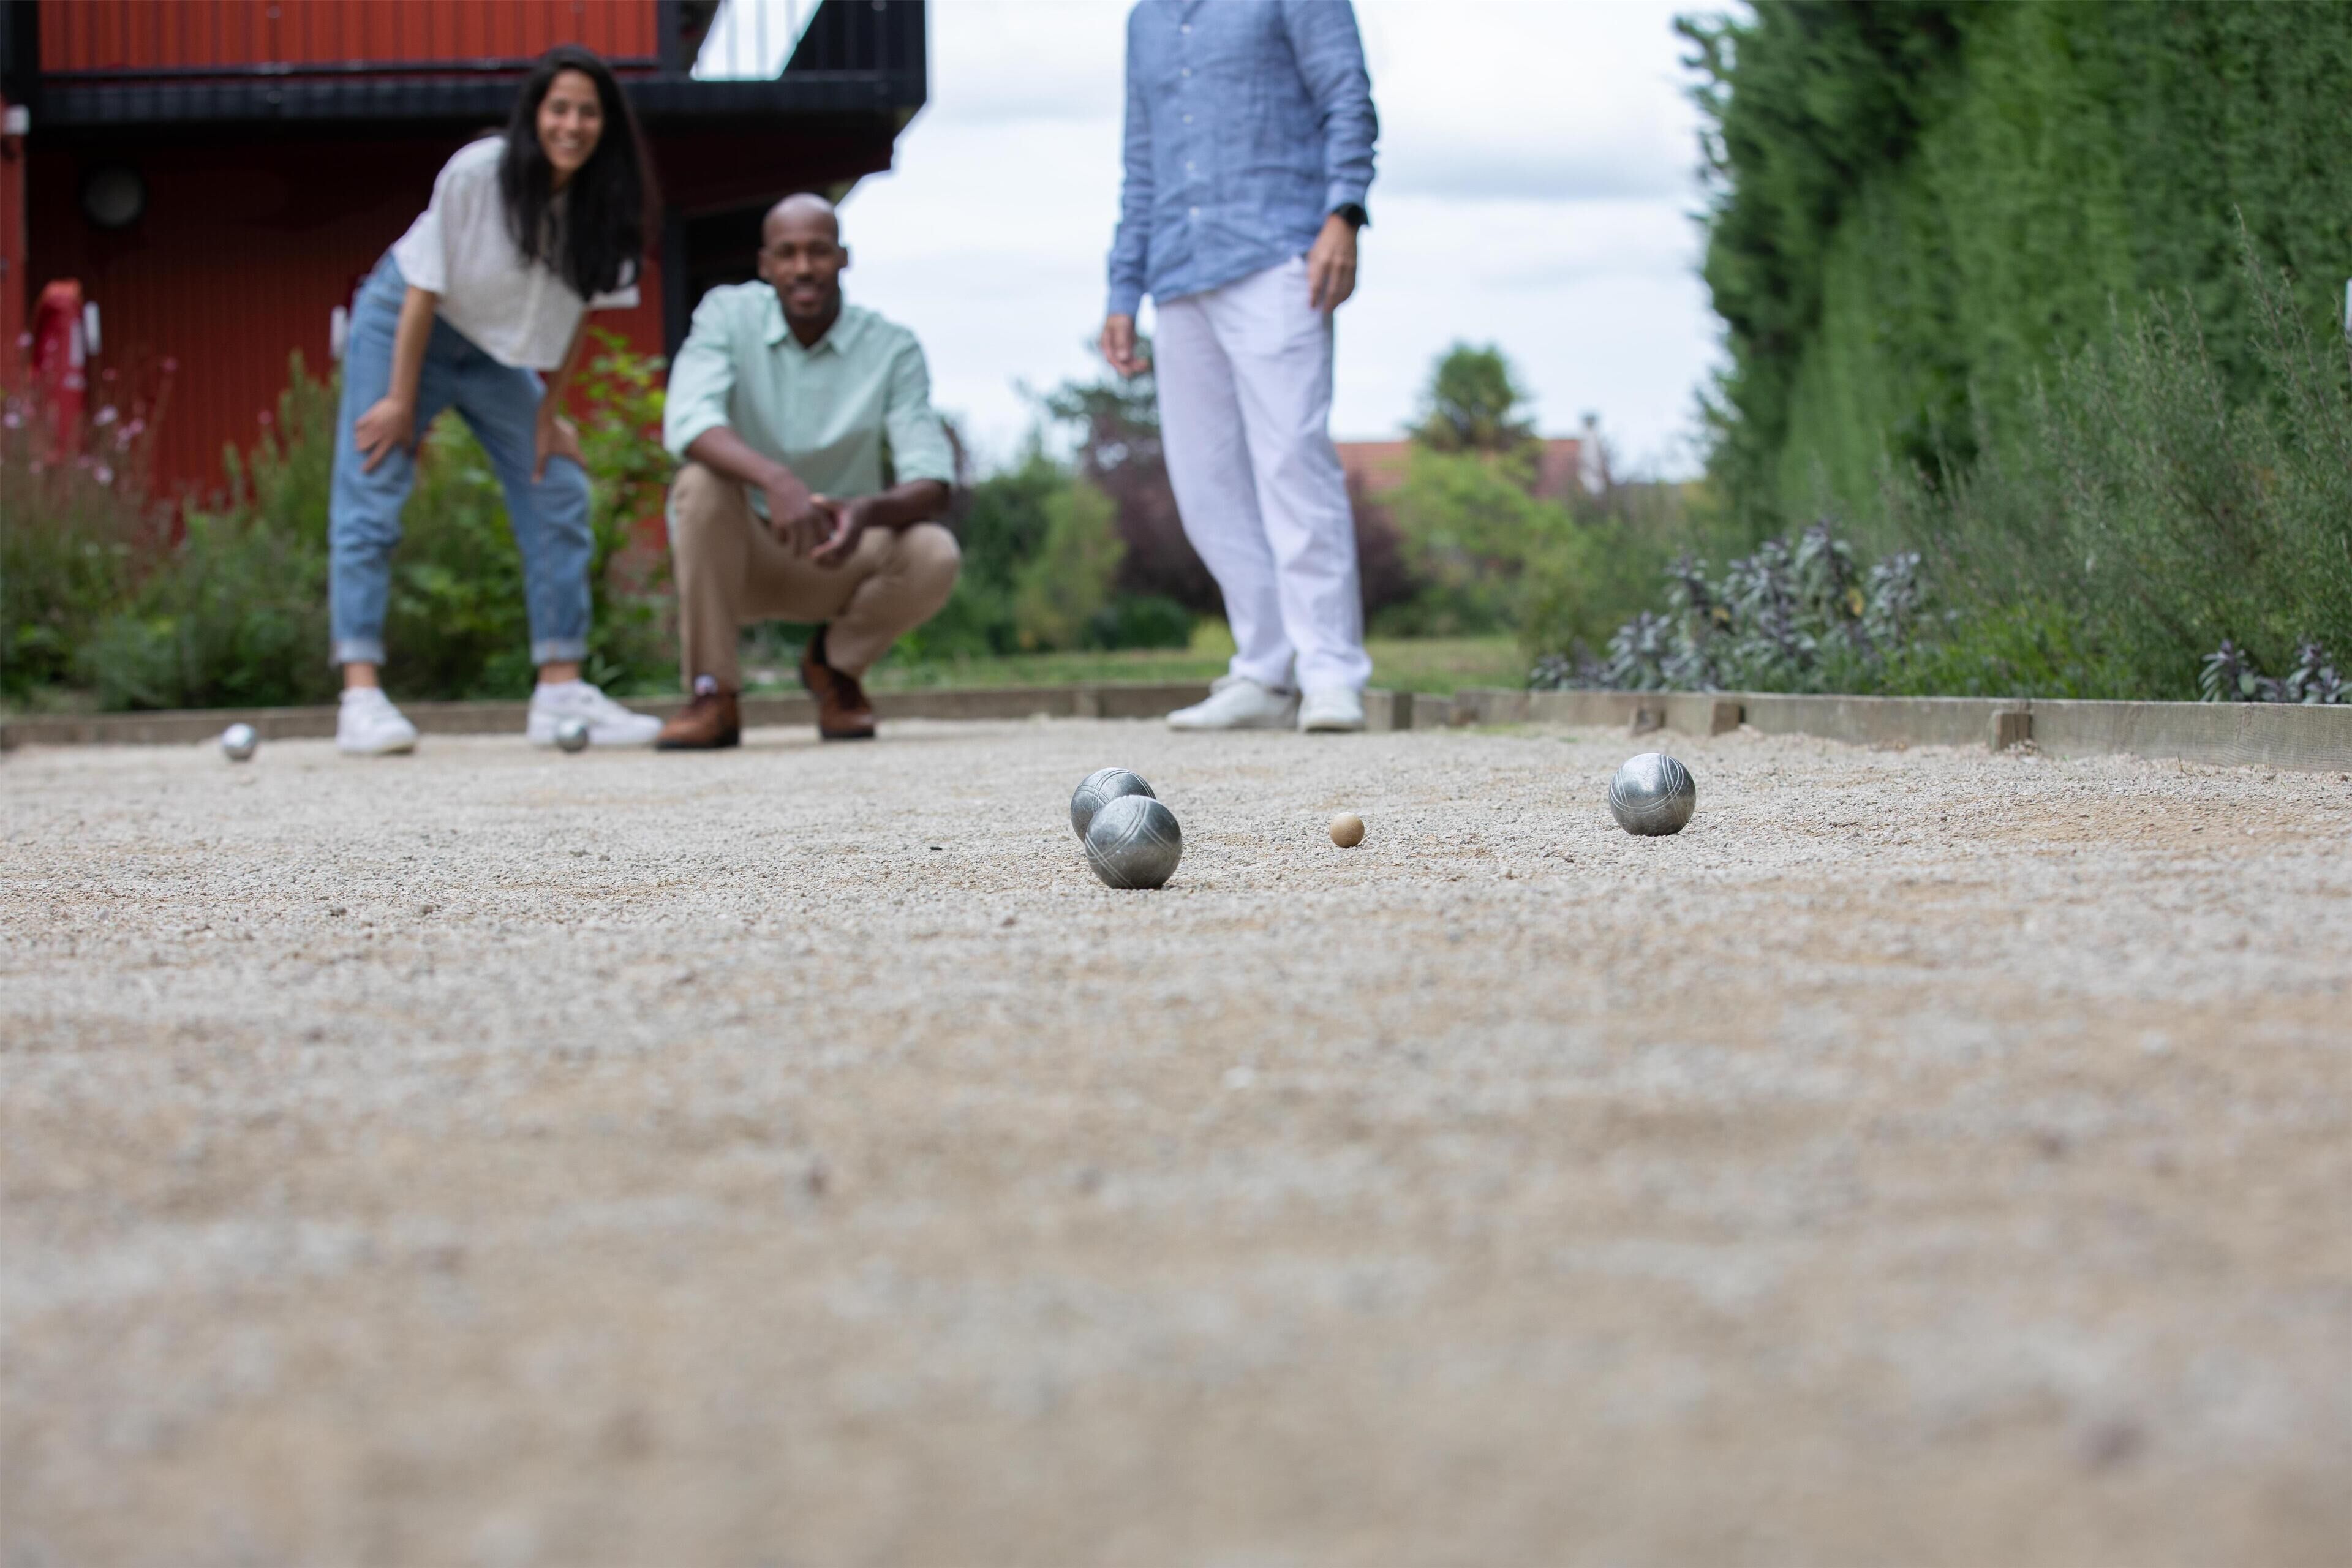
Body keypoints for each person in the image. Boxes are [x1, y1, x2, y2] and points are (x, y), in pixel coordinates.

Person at [328, 45, 664, 755]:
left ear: (606, 124)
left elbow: (582, 316)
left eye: (588, 112)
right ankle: (360, 695)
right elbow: (423, 285)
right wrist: (399, 399)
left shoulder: (608, 206)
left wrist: (550, 414)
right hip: (407, 322)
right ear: (536, 114)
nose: (572, 125)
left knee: (559, 486)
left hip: (494, 357)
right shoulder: (478, 173)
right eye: (559, 108)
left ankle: (559, 690)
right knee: (372, 486)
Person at [1103, 0, 1379, 734]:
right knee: (1205, 483)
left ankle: (1329, 671)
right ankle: (1264, 668)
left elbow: (1346, 98)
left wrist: (1343, 214)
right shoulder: (1145, 21)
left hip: (1280, 252)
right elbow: (1143, 160)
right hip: (1179, 270)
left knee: (1292, 458)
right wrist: (1123, 287)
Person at [654, 194, 959, 748]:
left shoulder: (892, 347)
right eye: (787, 254)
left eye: (818, 252)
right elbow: (688, 423)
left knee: (934, 552)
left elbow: (932, 478)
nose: (803, 268)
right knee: (699, 482)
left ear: (842, 259)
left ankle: (834, 669)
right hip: (737, 552)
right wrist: (776, 479)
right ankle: (712, 693)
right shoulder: (726, 314)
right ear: (765, 264)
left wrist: (866, 511)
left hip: (837, 553)